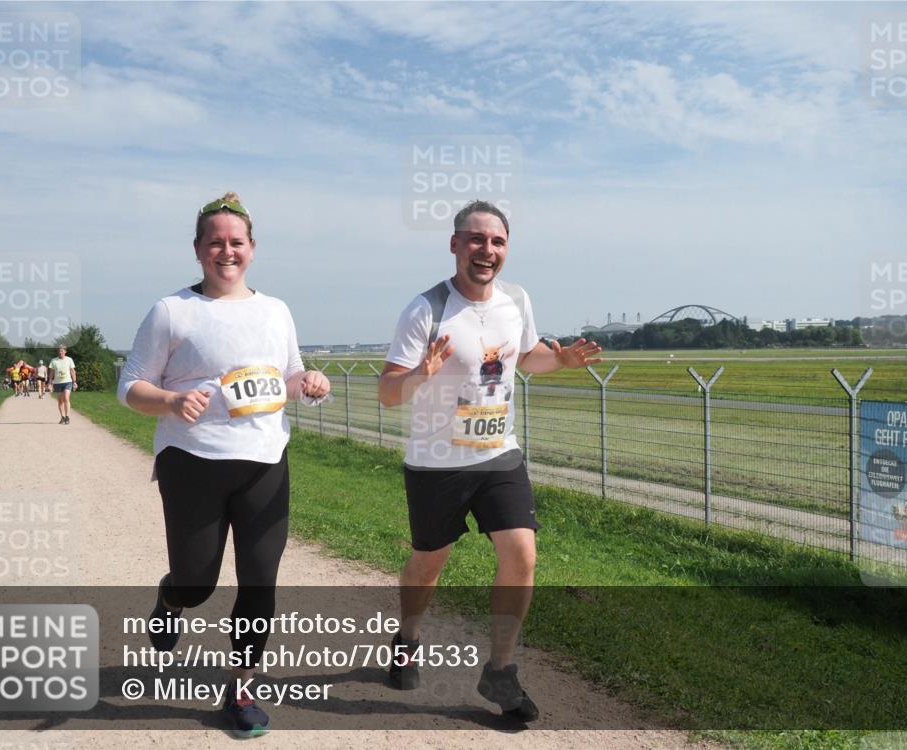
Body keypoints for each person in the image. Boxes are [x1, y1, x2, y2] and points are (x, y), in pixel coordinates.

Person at [117, 192, 330, 738]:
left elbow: (285, 376)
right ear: (197, 249)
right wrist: (168, 401)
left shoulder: (276, 310)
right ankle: (171, 598)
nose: (226, 251)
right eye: (216, 242)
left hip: (264, 460)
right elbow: (130, 385)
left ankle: (241, 689)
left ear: (253, 249)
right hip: (193, 460)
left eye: (236, 242)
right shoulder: (171, 311)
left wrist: (307, 384)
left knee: (260, 581)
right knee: (197, 582)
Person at [378, 200, 601, 721]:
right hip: (437, 462)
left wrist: (560, 359)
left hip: (499, 454)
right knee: (429, 562)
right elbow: (388, 392)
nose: (487, 250)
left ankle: (500, 672)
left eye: (497, 241)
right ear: (455, 245)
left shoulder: (516, 300)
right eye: (476, 239)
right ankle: (408, 637)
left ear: (506, 250)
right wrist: (419, 375)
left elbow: (525, 357)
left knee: (522, 552)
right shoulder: (426, 309)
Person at [50, 347, 76, 423]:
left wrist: (74, 381)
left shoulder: (69, 359)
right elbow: (51, 372)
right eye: (59, 351)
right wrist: (49, 382)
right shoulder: (54, 361)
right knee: (60, 401)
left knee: (66, 398)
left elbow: (72, 371)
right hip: (57, 382)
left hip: (67, 381)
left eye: (62, 351)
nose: (60, 352)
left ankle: (67, 417)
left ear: (65, 352)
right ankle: (62, 417)